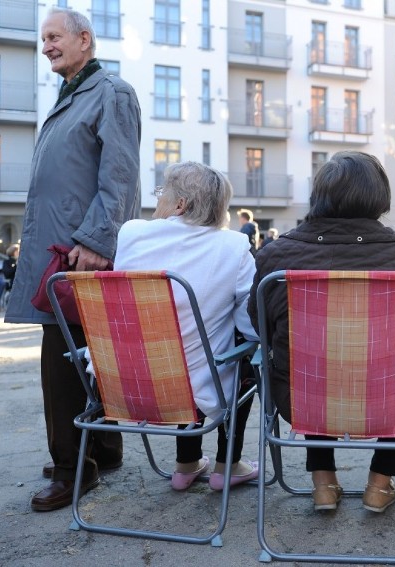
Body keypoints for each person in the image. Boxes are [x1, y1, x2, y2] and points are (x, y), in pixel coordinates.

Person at [249, 151, 395, 513]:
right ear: (380, 197)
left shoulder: (275, 257)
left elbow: (260, 326)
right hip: (392, 399)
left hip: (299, 398)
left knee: (310, 363)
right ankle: (379, 483)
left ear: (319, 195)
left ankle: (323, 484)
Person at [3, 6, 141, 512]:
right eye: (43, 40)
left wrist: (98, 241)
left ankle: (71, 468)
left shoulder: (112, 92)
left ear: (85, 39)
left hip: (80, 256)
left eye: (55, 37)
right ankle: (102, 448)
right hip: (63, 252)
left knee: (61, 359)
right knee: (83, 352)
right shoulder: (73, 95)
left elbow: (119, 176)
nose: (47, 46)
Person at [114, 162, 259, 491]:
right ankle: (226, 465)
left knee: (176, 341)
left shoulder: (130, 234)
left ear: (180, 205)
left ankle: (187, 463)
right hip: (192, 389)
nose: (157, 200)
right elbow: (252, 326)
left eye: (162, 193)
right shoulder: (233, 247)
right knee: (240, 353)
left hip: (125, 385)